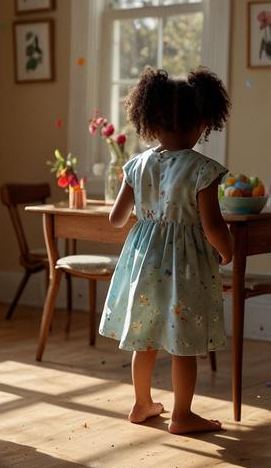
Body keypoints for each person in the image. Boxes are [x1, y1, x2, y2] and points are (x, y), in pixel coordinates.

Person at [100, 66, 233, 434]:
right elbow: (212, 225)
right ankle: (182, 415)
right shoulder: (201, 170)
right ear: (202, 122)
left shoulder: (136, 165)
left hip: (144, 263)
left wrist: (148, 215)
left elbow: (116, 218)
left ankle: (142, 403)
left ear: (150, 122)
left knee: (144, 338)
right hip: (185, 269)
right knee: (183, 343)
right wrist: (227, 251)